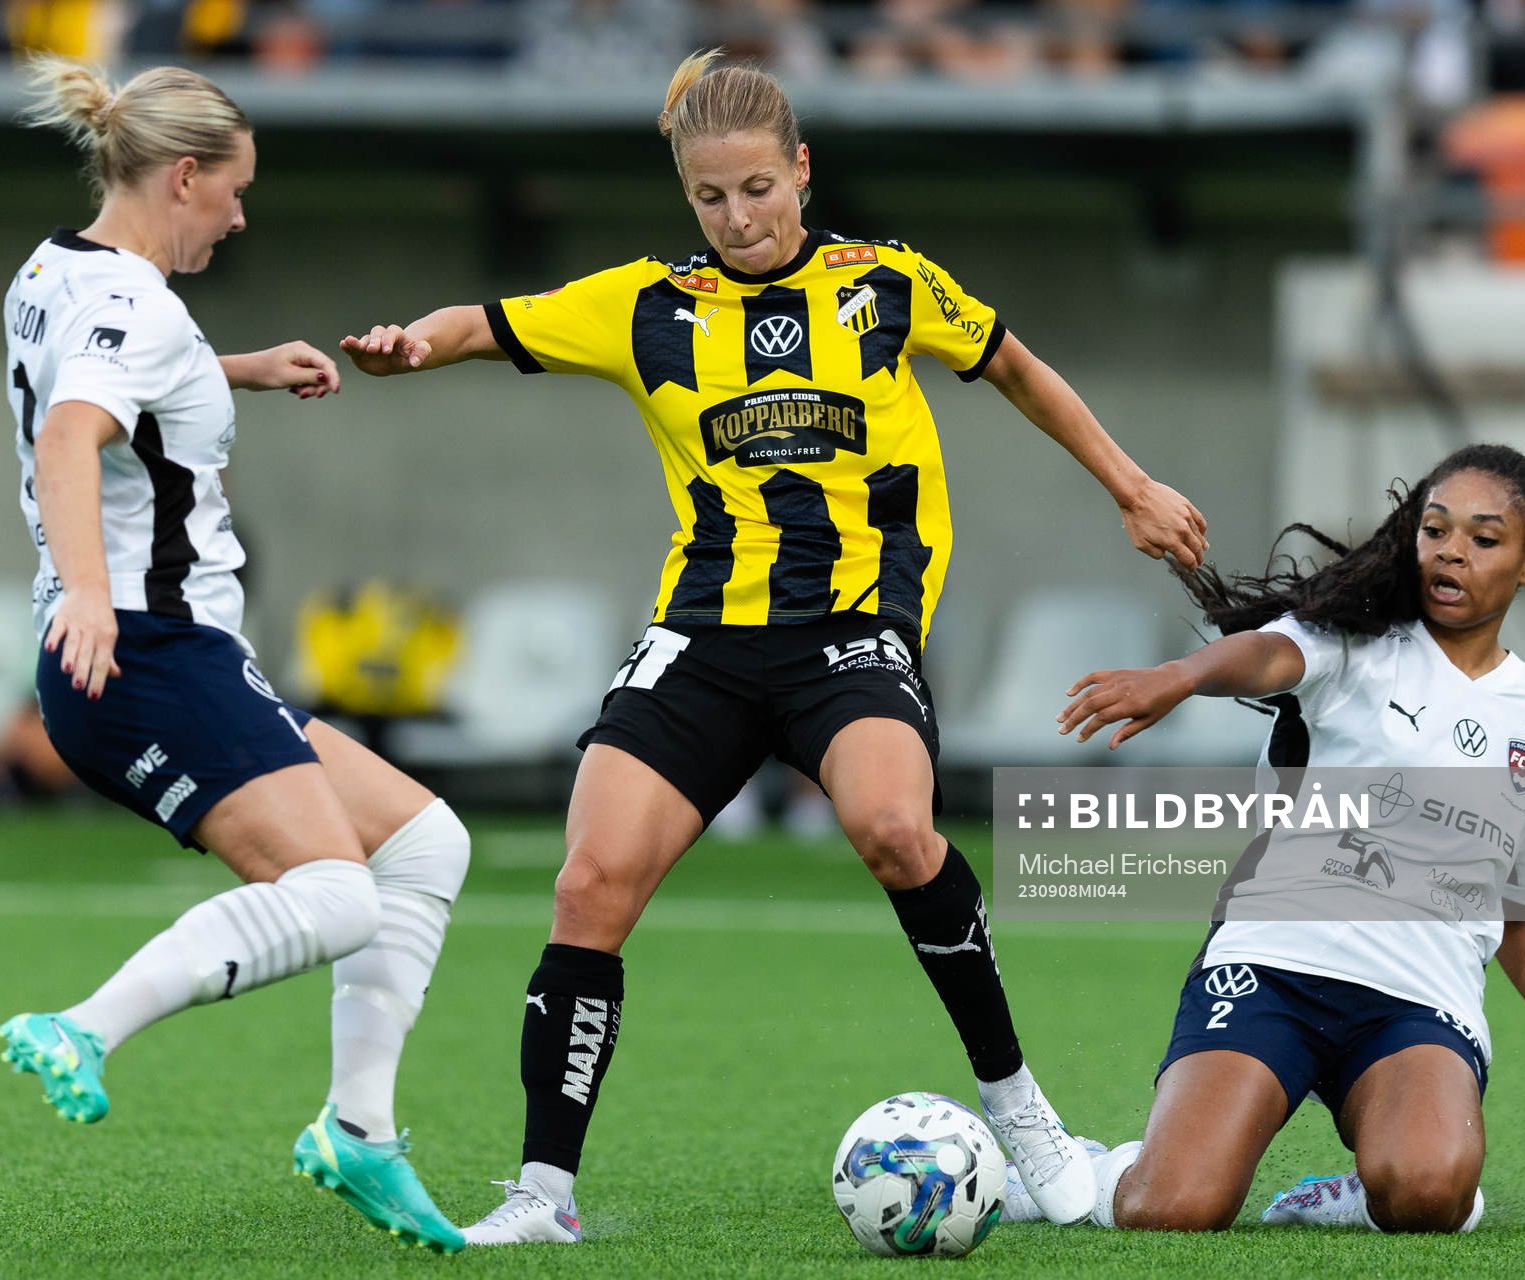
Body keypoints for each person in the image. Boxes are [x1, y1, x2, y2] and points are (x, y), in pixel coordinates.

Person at [342, 47, 1210, 1246]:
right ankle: (543, 1194)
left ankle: (1029, 1123)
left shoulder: (886, 284)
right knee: (588, 883)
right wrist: (412, 347)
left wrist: (1130, 483)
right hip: (701, 634)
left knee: (898, 828)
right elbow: (486, 323)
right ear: (686, 197)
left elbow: (1011, 361)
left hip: (851, 631)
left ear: (801, 169)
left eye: (759, 188)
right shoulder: (647, 304)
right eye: (711, 197)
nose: (739, 216)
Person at [0, 57, 473, 1254]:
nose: (242, 215)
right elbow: (70, 438)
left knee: (424, 840)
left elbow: (111, 394)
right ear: (187, 176)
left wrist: (245, 369)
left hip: (180, 650)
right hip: (148, 654)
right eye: (237, 191)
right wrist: (97, 602)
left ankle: (359, 1129)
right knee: (334, 893)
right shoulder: (143, 305)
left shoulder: (57, 270)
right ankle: (85, 1026)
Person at [1013, 443, 1525, 1233]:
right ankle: (1074, 1172)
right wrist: (1185, 674)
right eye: (1435, 529)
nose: (1452, 551)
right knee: (1169, 1207)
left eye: (1484, 539)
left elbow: (1520, 918)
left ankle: (1352, 1191)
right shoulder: (1351, 641)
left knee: (1428, 1194)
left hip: (1418, 1002)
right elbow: (1268, 652)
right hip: (1274, 966)